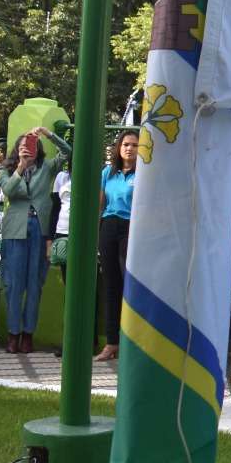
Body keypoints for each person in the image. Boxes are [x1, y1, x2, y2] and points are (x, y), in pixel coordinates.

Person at [0, 128, 70, 353]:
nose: (25, 148)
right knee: (13, 284)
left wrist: (48, 134)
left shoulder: (47, 169)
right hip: (15, 230)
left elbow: (67, 152)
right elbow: (9, 191)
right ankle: (13, 334)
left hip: (40, 229)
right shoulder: (7, 170)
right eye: (21, 145)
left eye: (29, 145)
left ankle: (28, 334)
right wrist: (20, 166)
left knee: (34, 284)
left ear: (37, 149)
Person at [95, 130, 138, 362]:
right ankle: (112, 343)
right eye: (125, 144)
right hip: (109, 227)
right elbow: (100, 204)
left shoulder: (144, 174)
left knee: (129, 285)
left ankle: (131, 344)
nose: (129, 148)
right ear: (119, 148)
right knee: (111, 286)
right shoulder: (107, 173)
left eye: (134, 145)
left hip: (132, 228)